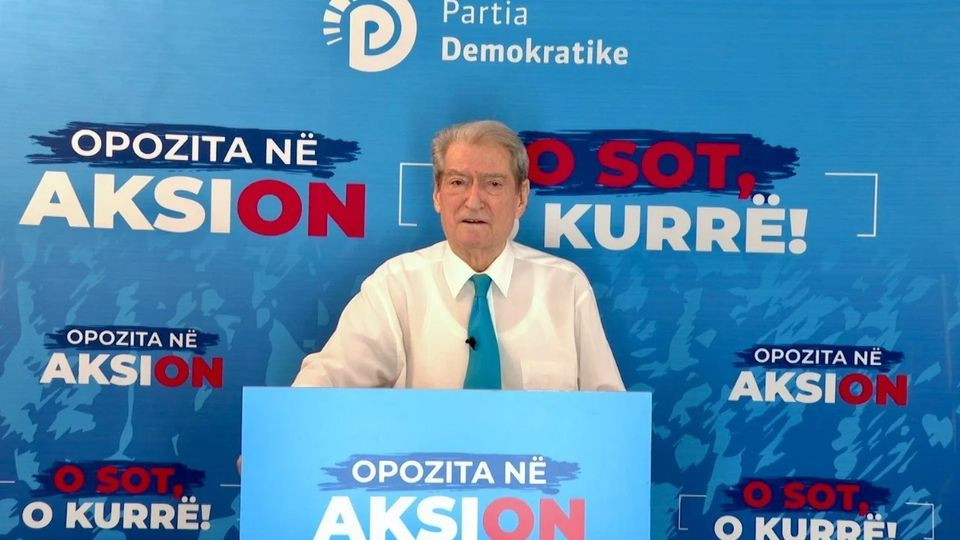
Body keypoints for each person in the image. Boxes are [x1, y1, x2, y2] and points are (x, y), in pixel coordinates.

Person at [291, 120, 624, 391]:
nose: (473, 201)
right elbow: (328, 379)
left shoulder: (566, 287)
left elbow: (608, 411)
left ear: (521, 197)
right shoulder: (396, 286)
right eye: (458, 182)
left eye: (493, 184)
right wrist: (286, 429)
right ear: (437, 194)